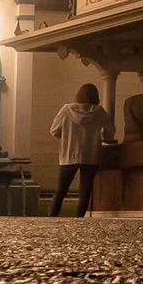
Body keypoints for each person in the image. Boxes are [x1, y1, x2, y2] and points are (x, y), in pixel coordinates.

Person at [50, 81, 114, 217]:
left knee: (61, 190)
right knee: (85, 190)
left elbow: (54, 130)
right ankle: (79, 219)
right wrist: (102, 137)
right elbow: (110, 131)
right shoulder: (99, 111)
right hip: (91, 155)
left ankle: (52, 218)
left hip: (69, 154)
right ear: (95, 96)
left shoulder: (67, 109)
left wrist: (67, 135)